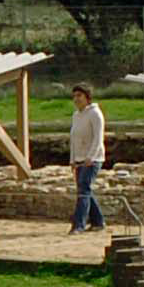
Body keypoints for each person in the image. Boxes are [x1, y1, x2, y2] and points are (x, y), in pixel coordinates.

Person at [64, 83, 106, 232]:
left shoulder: (95, 114)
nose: (76, 99)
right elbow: (74, 138)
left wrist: (91, 157)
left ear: (87, 97)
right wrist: (72, 159)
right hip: (79, 159)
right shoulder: (76, 115)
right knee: (84, 190)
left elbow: (98, 138)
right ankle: (98, 222)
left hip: (93, 159)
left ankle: (78, 225)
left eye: (79, 96)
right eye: (74, 96)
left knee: (83, 190)